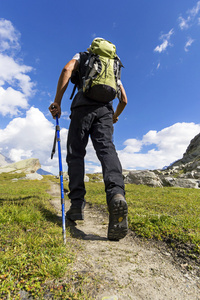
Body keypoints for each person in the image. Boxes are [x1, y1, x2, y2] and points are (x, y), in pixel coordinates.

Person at [49, 38, 128, 241]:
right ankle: (116, 195)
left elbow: (67, 70)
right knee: (107, 151)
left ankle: (76, 205)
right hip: (105, 110)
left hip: (82, 107)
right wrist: (114, 116)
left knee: (76, 153)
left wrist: (57, 101)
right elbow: (124, 99)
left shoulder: (83, 57)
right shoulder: (112, 66)